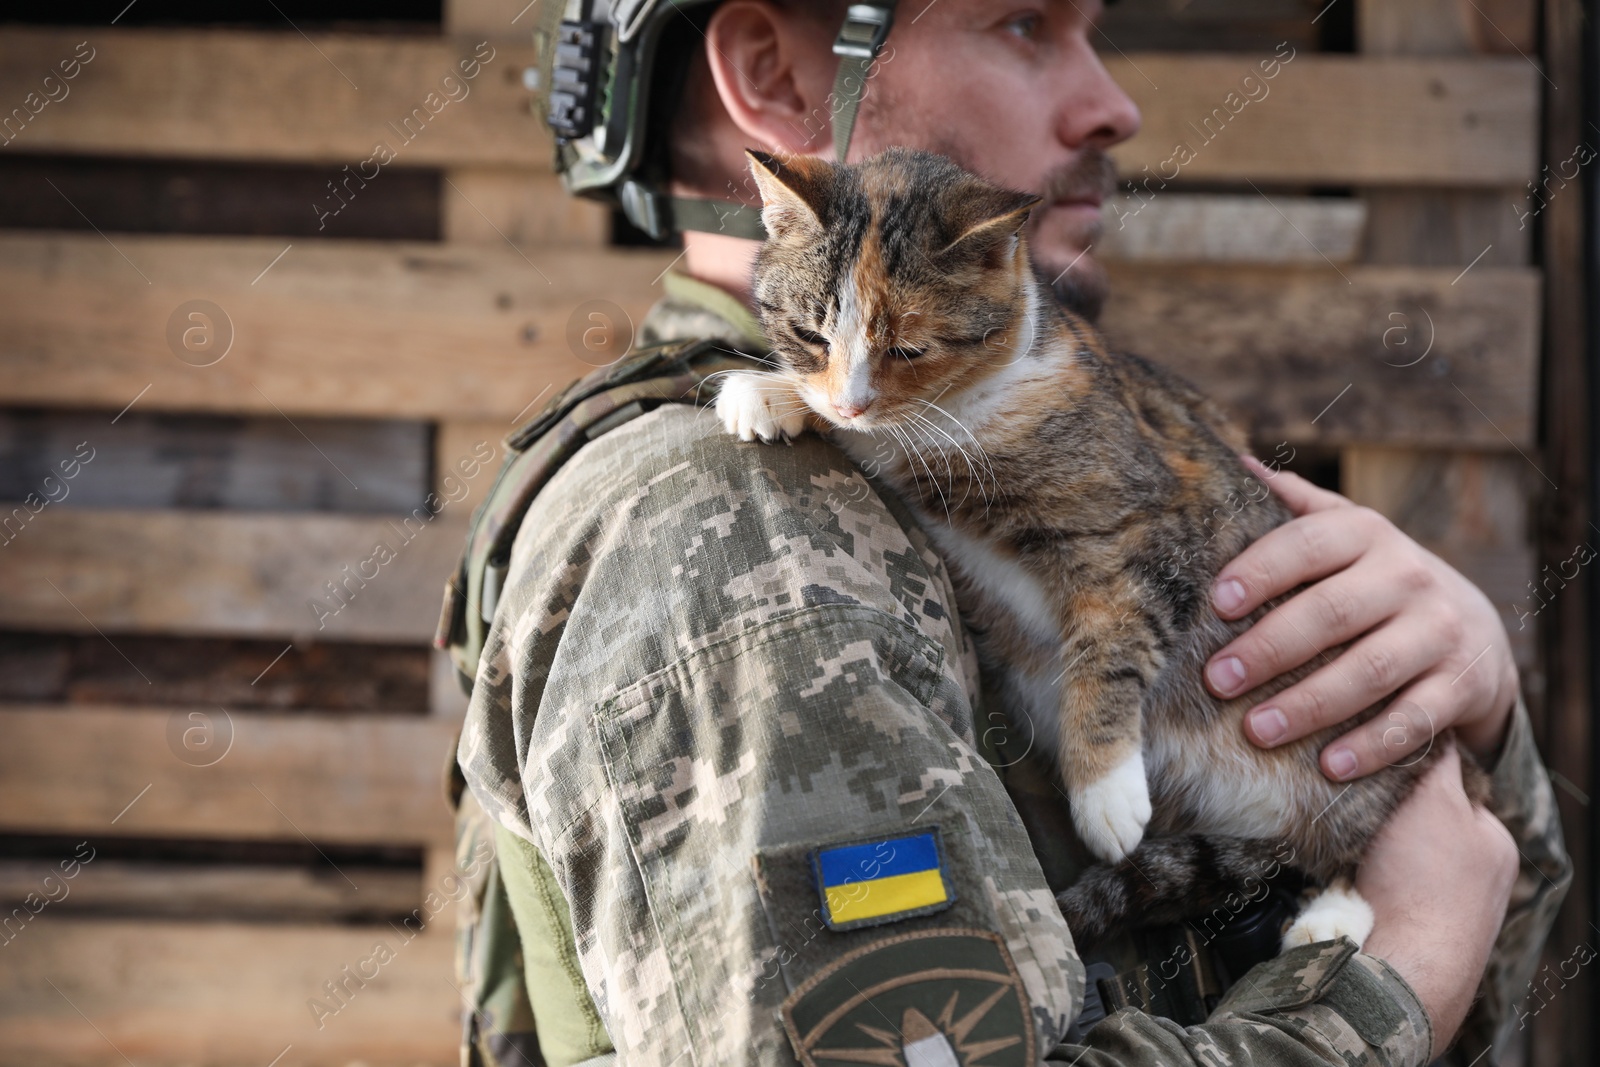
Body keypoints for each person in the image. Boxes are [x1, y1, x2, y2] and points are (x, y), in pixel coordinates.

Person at [445, 2, 1571, 1064]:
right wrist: (1394, 981)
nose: (1112, 105)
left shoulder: (962, 440)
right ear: (774, 75)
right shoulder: (744, 534)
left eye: (1095, 27)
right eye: (1024, 23)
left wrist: (1470, 721)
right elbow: (1435, 964)